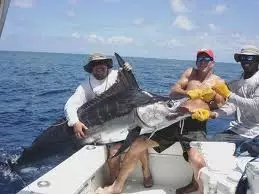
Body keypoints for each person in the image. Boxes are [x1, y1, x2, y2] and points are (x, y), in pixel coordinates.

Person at [96, 49, 226, 194]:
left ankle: (197, 187)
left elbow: (220, 104)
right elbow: (173, 91)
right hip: (171, 121)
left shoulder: (218, 81)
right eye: (199, 59)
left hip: (194, 125)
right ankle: (117, 187)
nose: (202, 62)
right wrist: (189, 93)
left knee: (197, 161)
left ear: (213, 63)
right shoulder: (190, 73)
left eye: (206, 59)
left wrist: (212, 95)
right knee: (136, 146)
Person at [64, 52, 153, 187]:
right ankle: (114, 180)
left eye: (102, 63)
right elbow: (70, 105)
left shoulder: (117, 75)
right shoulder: (85, 86)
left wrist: (129, 71)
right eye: (95, 64)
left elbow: (135, 92)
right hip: (110, 128)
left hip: (130, 121)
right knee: (112, 154)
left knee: (140, 144)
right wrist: (75, 122)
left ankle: (147, 173)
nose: (99, 66)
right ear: (91, 68)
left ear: (107, 65)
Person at [180, 45, 259, 194]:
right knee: (200, 148)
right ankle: (198, 186)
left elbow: (256, 106)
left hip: (255, 134)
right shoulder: (237, 81)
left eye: (250, 58)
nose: (245, 61)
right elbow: (232, 107)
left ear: (257, 60)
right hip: (238, 129)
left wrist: (229, 95)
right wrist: (212, 114)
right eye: (242, 58)